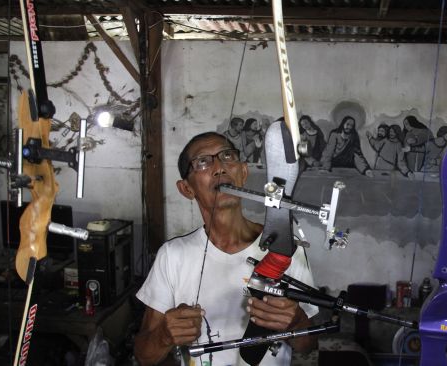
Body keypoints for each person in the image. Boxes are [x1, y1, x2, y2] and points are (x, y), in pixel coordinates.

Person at [134, 132, 318, 366]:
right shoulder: (172, 256)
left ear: (242, 173)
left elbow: (309, 346)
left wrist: (297, 323)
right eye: (203, 161)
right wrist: (163, 337)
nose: (219, 167)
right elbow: (143, 356)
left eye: (227, 156)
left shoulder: (284, 249)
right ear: (186, 189)